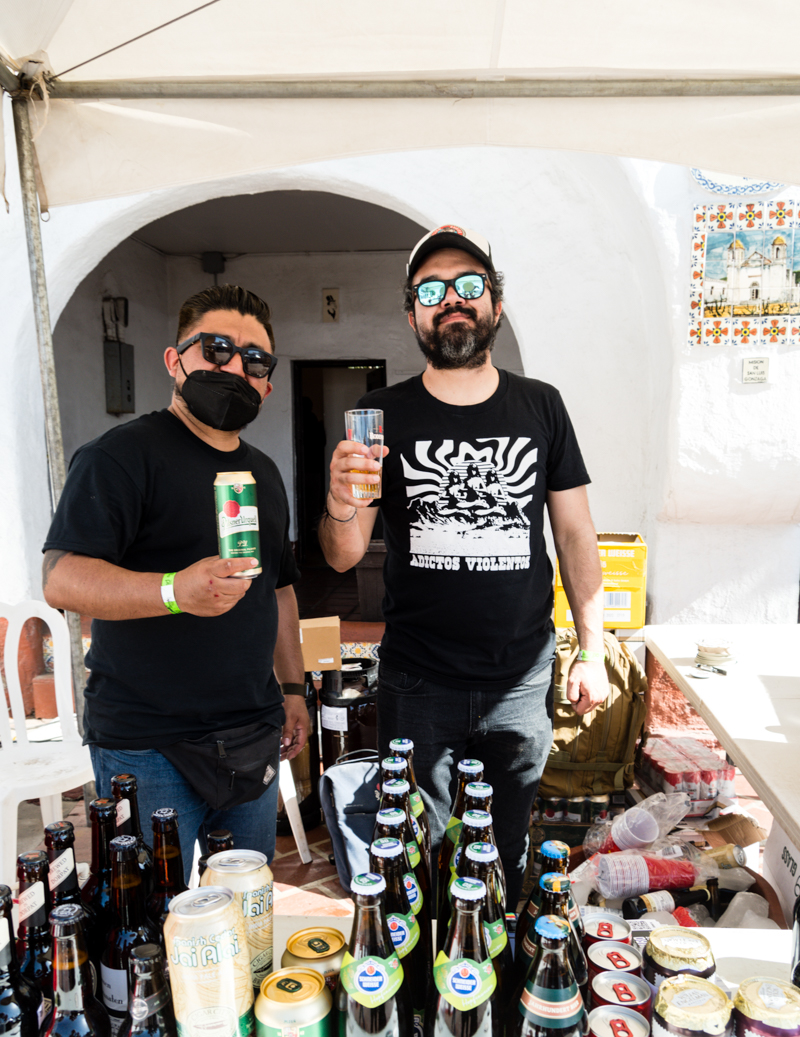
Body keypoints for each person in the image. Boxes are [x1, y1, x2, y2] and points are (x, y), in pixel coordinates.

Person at [319, 225, 608, 907]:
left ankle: (492, 962)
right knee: (413, 853)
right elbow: (343, 553)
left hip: (521, 678)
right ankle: (427, 967)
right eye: (431, 290)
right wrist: (339, 502)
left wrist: (593, 649)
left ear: (495, 305)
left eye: (469, 285)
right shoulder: (377, 415)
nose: (452, 298)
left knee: (504, 851)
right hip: (418, 680)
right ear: (413, 315)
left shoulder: (541, 405)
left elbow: (574, 533)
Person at [42, 284, 309, 874]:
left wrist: (293, 688)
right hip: (147, 741)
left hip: (251, 729)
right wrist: (173, 591)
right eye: (216, 349)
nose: (234, 368)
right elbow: (62, 578)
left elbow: (279, 588)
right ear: (174, 360)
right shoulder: (119, 456)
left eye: (254, 360)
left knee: (247, 903)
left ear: (267, 384)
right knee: (153, 913)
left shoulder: (263, 473)